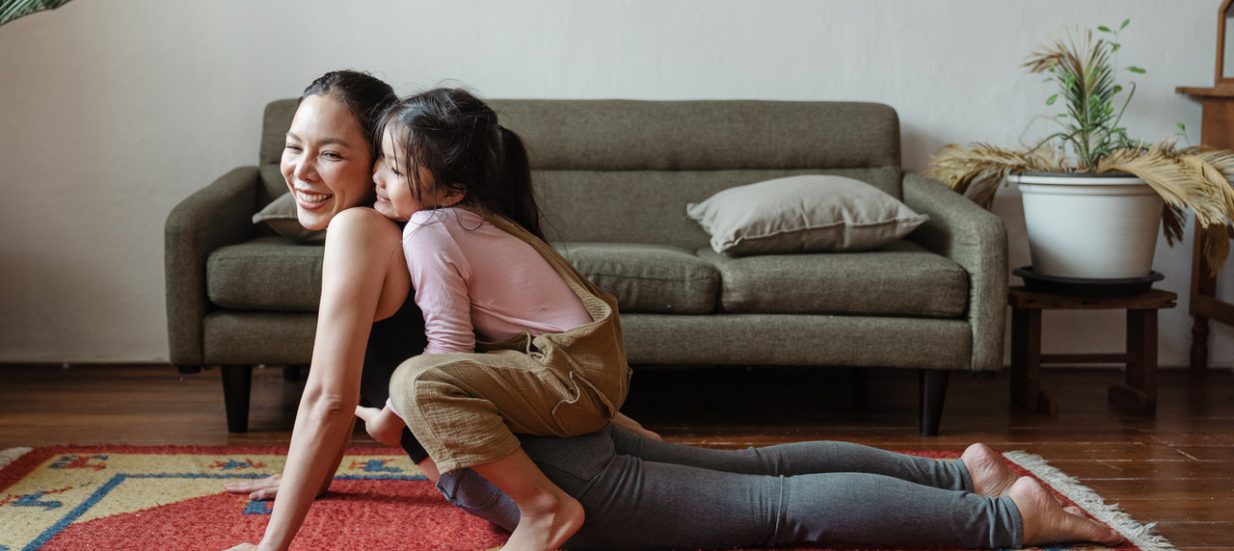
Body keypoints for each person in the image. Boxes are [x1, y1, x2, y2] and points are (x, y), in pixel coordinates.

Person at [223, 72, 1123, 551]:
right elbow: (376, 397)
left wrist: (275, 541)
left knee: (773, 514)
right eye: (294, 147)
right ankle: (961, 475)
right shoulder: (425, 221)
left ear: (381, 159)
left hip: (549, 466)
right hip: (555, 425)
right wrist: (314, 463)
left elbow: (332, 397)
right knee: (759, 472)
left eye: (334, 153)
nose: (303, 169)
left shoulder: (366, 234)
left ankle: (1009, 520)